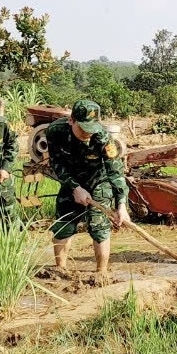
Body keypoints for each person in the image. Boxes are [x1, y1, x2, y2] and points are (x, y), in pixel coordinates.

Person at [45, 99, 131, 276]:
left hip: (98, 181)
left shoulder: (103, 138)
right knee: (63, 223)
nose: (87, 133)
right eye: (83, 128)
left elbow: (115, 173)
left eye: (91, 128)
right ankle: (60, 269)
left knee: (99, 226)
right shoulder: (56, 131)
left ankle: (101, 273)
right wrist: (75, 188)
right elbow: (57, 164)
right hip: (71, 181)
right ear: (71, 121)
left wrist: (122, 205)